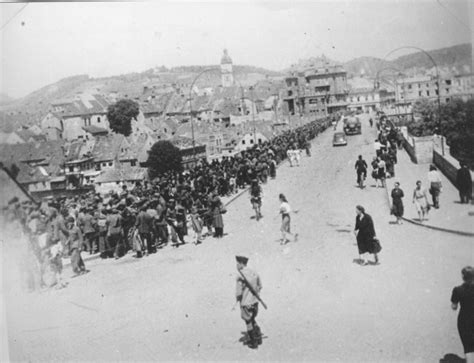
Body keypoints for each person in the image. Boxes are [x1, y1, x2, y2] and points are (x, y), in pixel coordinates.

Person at [235, 255, 263, 349]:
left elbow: (238, 293)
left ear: (242, 263)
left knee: (248, 321)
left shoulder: (240, 275)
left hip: (246, 302)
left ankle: (253, 341)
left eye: (238, 263)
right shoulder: (254, 272)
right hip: (255, 301)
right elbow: (260, 286)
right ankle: (258, 335)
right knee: (252, 318)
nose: (237, 265)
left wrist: (238, 299)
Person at [451, 266, 474, 363]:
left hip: (465, 321)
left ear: (463, 276)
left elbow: (454, 306)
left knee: (468, 348)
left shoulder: (457, 290)